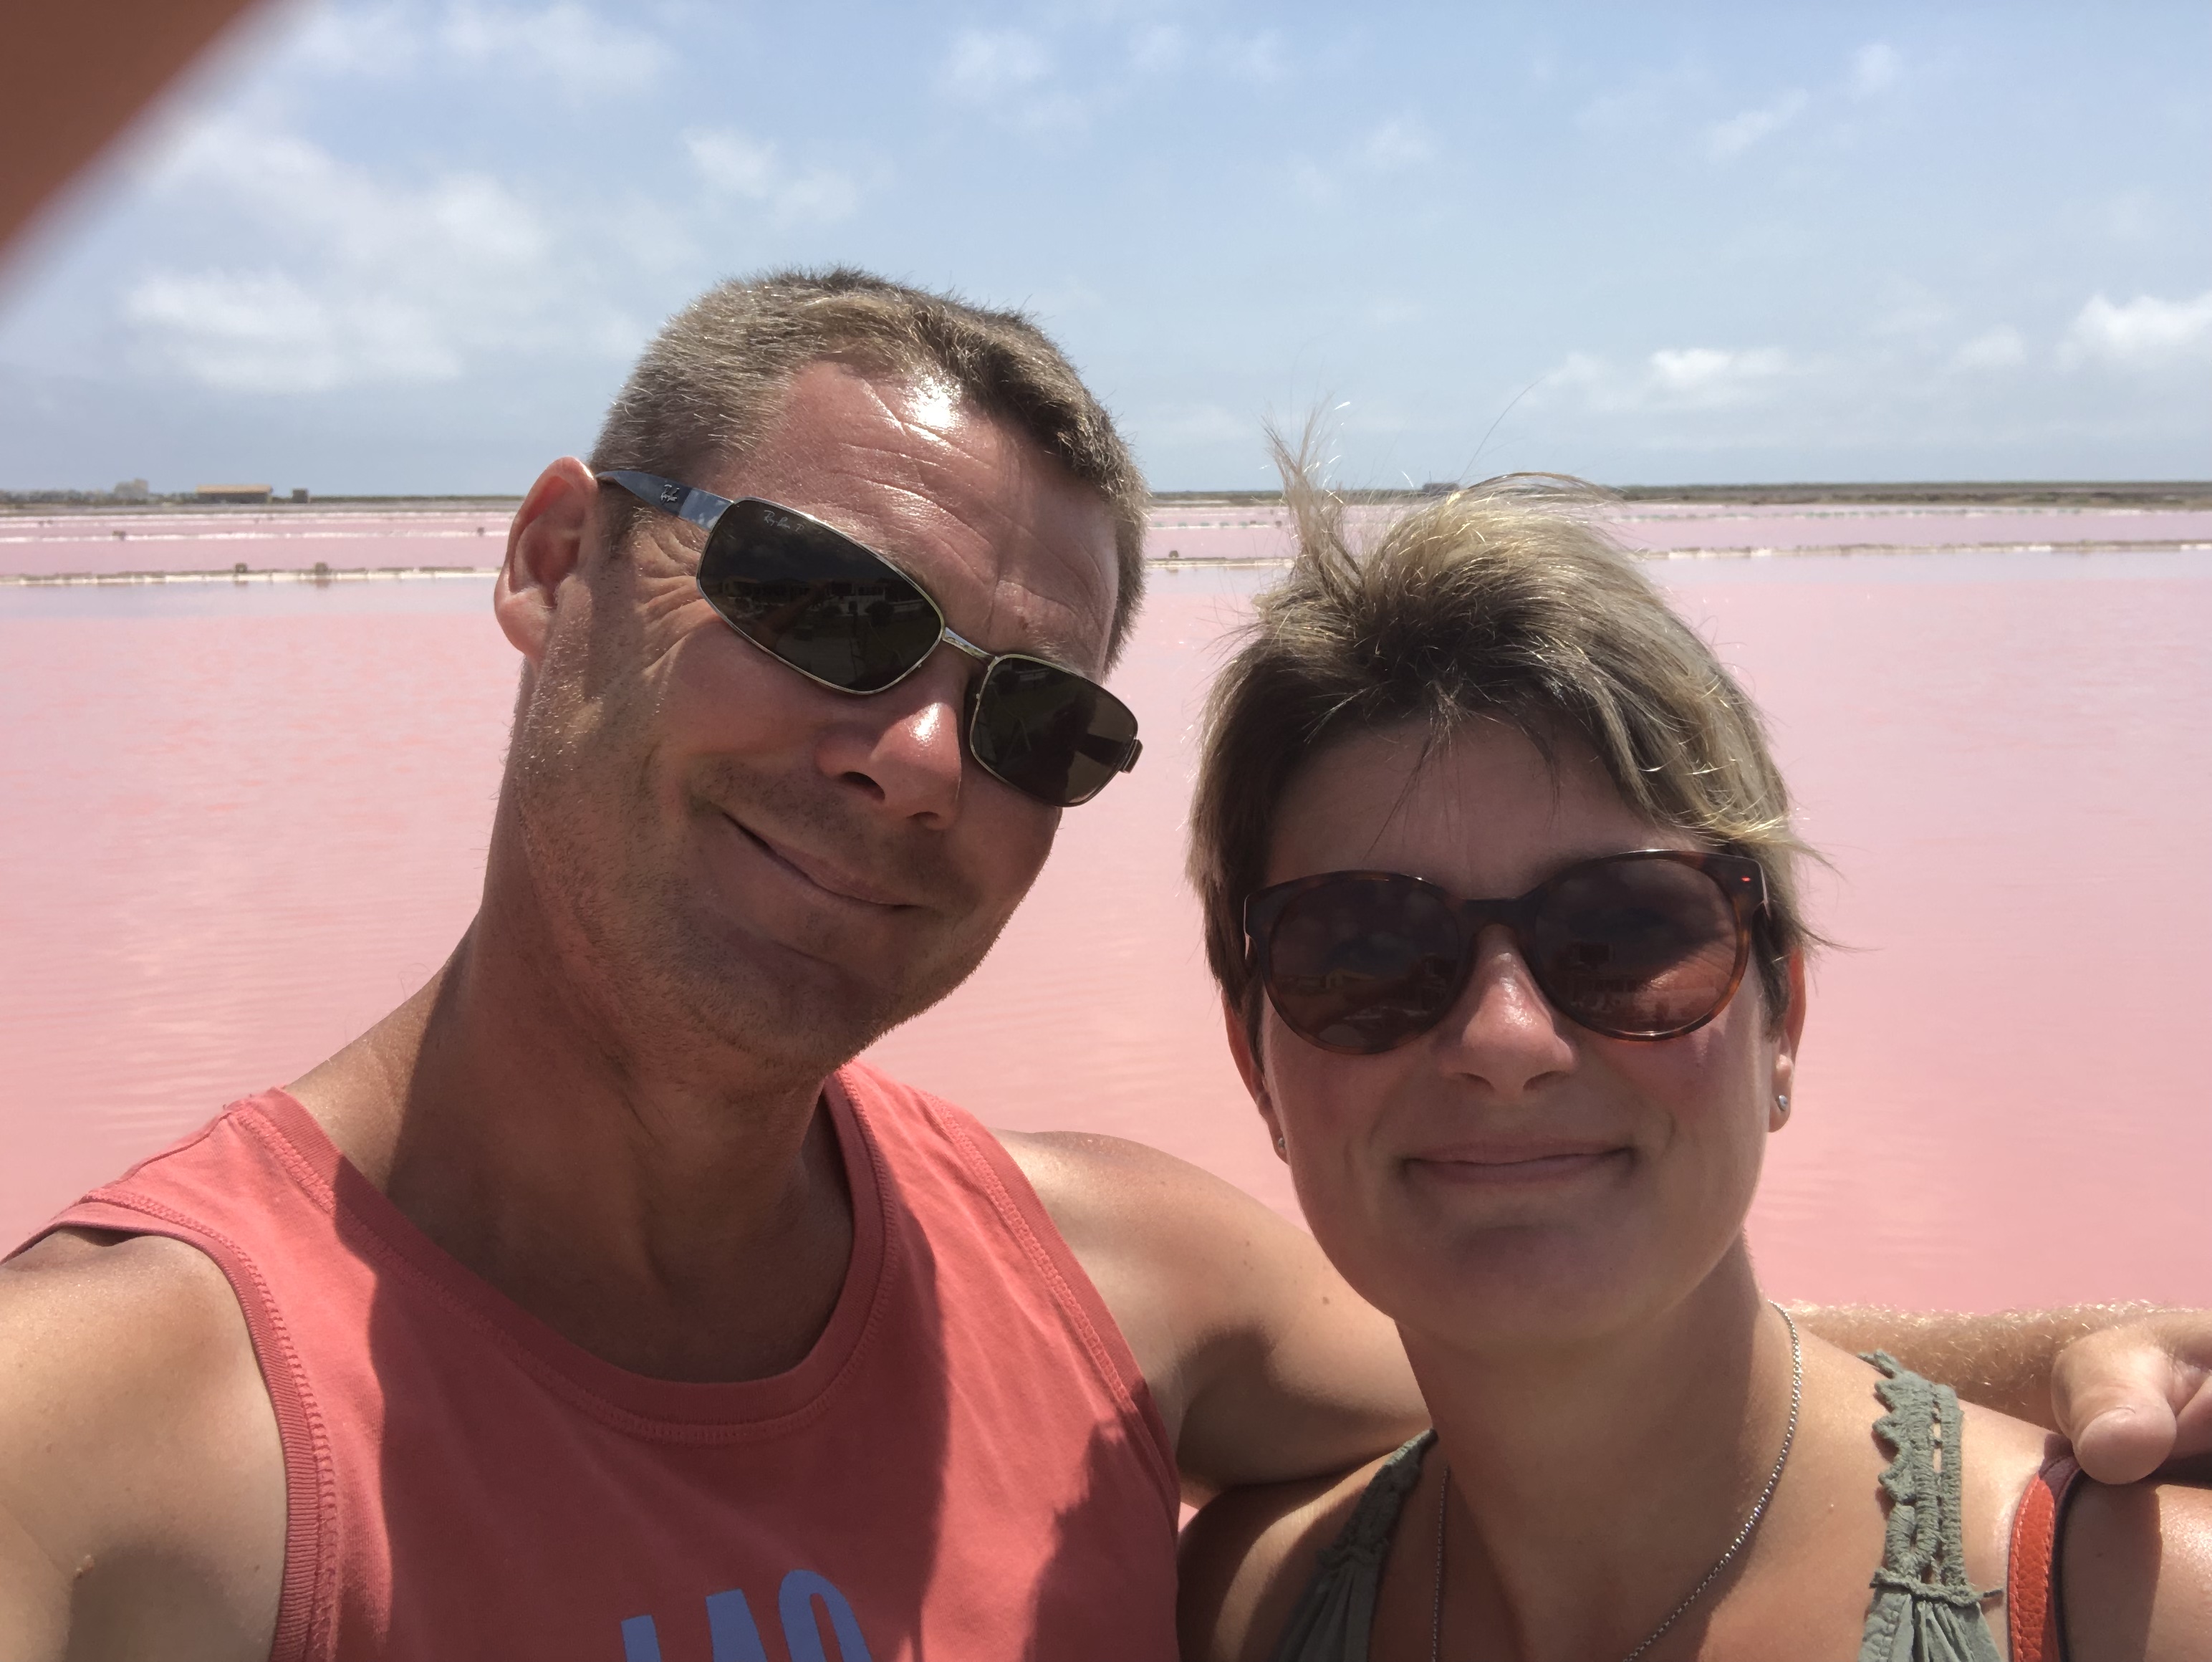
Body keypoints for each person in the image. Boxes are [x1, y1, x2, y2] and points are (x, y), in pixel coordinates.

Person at [0, 272, 2203, 1662]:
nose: (919, 761)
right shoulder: (116, 1435)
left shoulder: (1100, 1287)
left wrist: (2091, 1357)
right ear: (558, 557)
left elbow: (1569, 1321)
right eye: (829, 609)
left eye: (1037, 722)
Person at [1175, 468, 2212, 1661]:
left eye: (1623, 934)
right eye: (1365, 954)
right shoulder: (1239, 1612)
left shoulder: (2140, 1609)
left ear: (1784, 1022)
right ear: (1255, 1066)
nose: (1505, 1040)